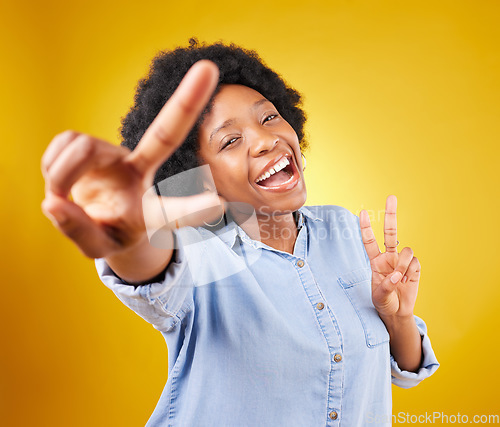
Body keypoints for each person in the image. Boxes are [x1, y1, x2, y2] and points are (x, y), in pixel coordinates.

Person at [41, 39, 439, 426]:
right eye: (230, 141)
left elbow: (401, 372)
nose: (267, 140)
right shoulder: (198, 250)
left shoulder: (344, 229)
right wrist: (130, 234)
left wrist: (398, 319)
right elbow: (147, 264)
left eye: (268, 117)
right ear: (197, 178)